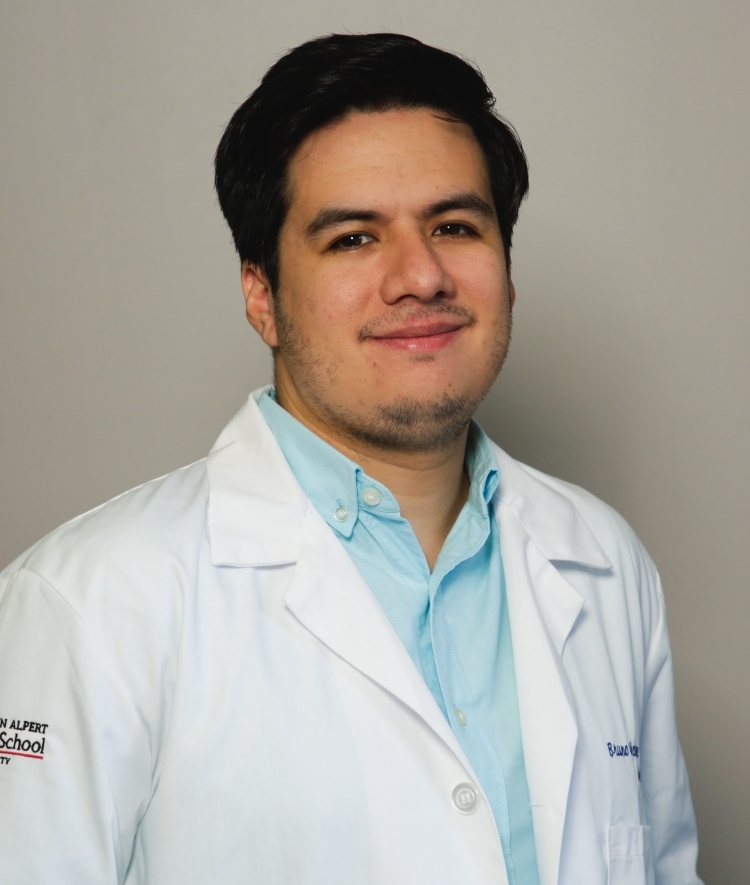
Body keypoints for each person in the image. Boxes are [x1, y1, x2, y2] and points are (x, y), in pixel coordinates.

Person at [0, 33, 701, 885]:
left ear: (507, 269)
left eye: (454, 225)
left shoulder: (603, 559)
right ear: (261, 295)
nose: (421, 275)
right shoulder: (89, 602)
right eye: (354, 239)